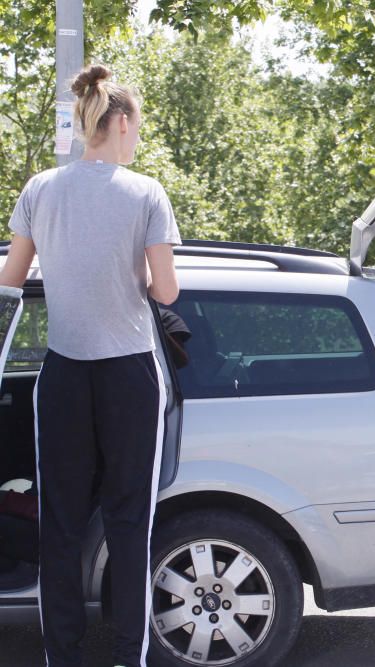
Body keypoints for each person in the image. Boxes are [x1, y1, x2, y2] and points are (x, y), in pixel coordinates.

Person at [0, 64, 181, 667]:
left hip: (63, 375)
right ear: (122, 123)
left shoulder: (40, 188)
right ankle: (130, 658)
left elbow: (11, 280)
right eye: (137, 129)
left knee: (61, 526)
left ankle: (64, 658)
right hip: (129, 374)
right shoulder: (146, 192)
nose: (137, 141)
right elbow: (166, 292)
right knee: (132, 526)